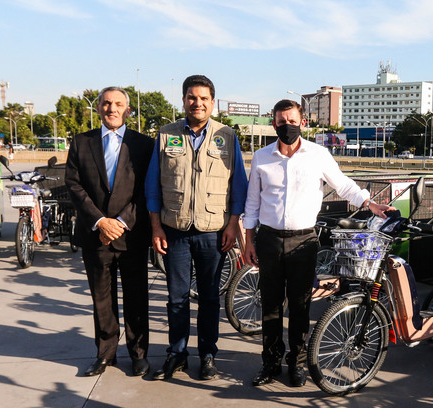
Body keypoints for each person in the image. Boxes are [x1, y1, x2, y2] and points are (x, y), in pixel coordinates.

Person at [243, 99, 394, 387]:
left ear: (303, 122)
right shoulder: (262, 157)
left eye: (292, 120)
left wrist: (370, 204)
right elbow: (252, 203)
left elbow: (343, 184)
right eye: (281, 120)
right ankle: (270, 363)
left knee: (300, 307)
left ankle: (297, 364)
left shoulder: (317, 155)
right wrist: (249, 241)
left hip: (303, 242)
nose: (286, 125)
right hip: (269, 240)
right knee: (271, 307)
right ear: (273, 123)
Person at [146, 75, 248, 381]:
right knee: (176, 297)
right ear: (183, 100)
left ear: (212, 103)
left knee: (209, 298)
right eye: (192, 97)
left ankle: (207, 355)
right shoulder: (166, 135)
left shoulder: (227, 136)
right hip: (174, 230)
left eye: (204, 98)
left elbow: (238, 186)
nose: (197, 103)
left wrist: (232, 224)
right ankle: (176, 353)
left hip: (213, 231)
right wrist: (156, 228)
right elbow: (153, 185)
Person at [65, 86, 154, 377]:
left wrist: (121, 222)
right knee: (101, 298)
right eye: (106, 103)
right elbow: (74, 185)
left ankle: (139, 353)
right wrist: (101, 221)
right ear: (99, 108)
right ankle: (105, 354)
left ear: (128, 110)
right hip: (95, 234)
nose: (112, 109)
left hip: (131, 235)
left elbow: (146, 190)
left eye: (118, 104)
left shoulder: (144, 145)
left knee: (136, 295)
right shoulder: (81, 142)